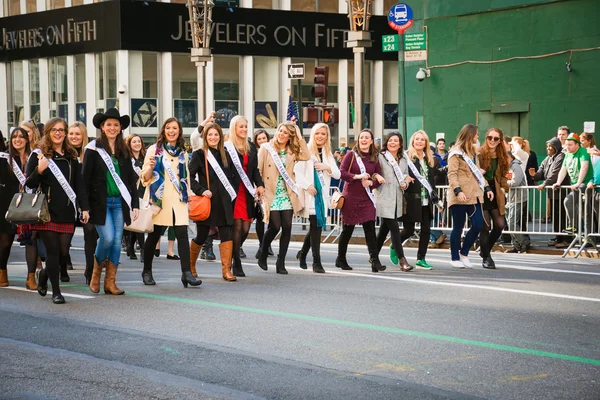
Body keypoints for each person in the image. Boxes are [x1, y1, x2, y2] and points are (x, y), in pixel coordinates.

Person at [25, 117, 90, 304]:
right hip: (47, 212)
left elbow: (79, 185)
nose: (59, 133)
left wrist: (84, 208)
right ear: (48, 132)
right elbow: (28, 184)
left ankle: (45, 274)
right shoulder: (39, 154)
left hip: (67, 211)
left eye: (62, 130)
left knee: (63, 252)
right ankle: (56, 291)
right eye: (54, 130)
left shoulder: (71, 155)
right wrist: (39, 170)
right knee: (52, 252)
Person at [83, 108, 140, 295]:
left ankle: (110, 282)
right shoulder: (93, 148)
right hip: (100, 202)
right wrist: (84, 206)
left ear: (120, 127)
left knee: (116, 241)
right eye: (109, 124)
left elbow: (131, 179)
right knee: (106, 237)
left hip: (118, 201)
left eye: (116, 125)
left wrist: (135, 204)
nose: (112, 128)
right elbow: (85, 180)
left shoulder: (124, 150)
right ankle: (95, 275)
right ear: (102, 126)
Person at [141, 117, 201, 288]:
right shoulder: (154, 150)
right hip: (160, 199)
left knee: (182, 234)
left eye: (175, 128)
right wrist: (151, 167)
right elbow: (144, 178)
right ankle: (146, 270)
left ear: (179, 131)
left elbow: (186, 177)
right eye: (168, 128)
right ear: (163, 131)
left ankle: (186, 273)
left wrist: (188, 195)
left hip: (178, 200)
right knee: (155, 235)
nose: (171, 131)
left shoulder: (183, 152)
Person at [256, 121, 310, 274]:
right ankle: (263, 251)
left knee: (287, 227)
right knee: (275, 226)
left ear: (289, 136)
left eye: (286, 132)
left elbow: (306, 155)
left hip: (287, 193)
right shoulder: (266, 148)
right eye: (280, 130)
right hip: (270, 192)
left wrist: (299, 135)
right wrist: (259, 190)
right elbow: (258, 170)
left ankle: (281, 262)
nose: (281, 134)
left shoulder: (292, 150)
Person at [189, 122, 240, 281]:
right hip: (208, 201)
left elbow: (234, 176)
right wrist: (201, 190)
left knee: (226, 234)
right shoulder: (199, 154)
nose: (213, 137)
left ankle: (226, 270)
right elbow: (188, 177)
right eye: (210, 135)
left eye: (216, 135)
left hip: (224, 202)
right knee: (201, 236)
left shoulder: (226, 153)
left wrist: (233, 193)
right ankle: (190, 266)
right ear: (205, 136)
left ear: (220, 137)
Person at [335, 129, 386, 272]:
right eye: (361, 137)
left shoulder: (374, 157)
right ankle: (341, 258)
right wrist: (357, 177)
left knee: (370, 229)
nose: (364, 140)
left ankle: (374, 260)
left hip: (366, 198)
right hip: (351, 196)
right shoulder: (351, 155)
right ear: (358, 140)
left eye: (367, 138)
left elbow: (378, 178)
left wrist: (371, 183)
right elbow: (342, 173)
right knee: (347, 230)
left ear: (371, 141)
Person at [294, 123, 341, 273]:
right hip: (311, 195)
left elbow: (337, 174)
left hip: (323, 197)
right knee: (316, 227)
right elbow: (297, 173)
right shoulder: (306, 151)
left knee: (316, 227)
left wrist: (326, 167)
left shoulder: (327, 154)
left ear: (327, 136)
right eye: (317, 133)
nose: (320, 136)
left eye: (323, 134)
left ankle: (302, 254)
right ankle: (316, 262)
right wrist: (307, 185)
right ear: (313, 135)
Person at [221, 116, 264, 277]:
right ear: (234, 128)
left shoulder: (251, 147)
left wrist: (260, 184)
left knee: (245, 228)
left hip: (246, 192)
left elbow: (254, 170)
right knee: (237, 226)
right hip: (232, 191)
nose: (244, 129)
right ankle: (236, 262)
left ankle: (235, 251)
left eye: (246, 126)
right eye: (241, 126)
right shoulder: (226, 147)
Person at [447, 124, 492, 268]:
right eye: (476, 134)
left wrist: (487, 187)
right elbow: (452, 174)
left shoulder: (473, 153)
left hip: (475, 195)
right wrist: (458, 191)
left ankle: (464, 252)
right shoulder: (455, 153)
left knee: (478, 224)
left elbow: (477, 173)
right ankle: (454, 257)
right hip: (459, 195)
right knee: (458, 227)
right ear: (470, 135)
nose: (478, 136)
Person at [399, 130, 441, 270]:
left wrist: (437, 200)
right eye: (417, 139)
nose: (419, 142)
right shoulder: (406, 157)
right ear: (412, 141)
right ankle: (396, 245)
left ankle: (421, 259)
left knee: (426, 230)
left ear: (426, 143)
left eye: (422, 140)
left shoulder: (430, 158)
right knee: (409, 230)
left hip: (426, 199)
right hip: (411, 198)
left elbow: (432, 180)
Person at [61, 121, 95, 282]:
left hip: (86, 201)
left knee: (90, 234)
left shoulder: (89, 153)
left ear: (83, 136)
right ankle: (63, 266)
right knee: (65, 238)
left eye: (78, 134)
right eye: (71, 134)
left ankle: (90, 271)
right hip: (67, 202)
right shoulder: (63, 153)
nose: (74, 137)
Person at [374, 132, 413, 271]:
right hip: (384, 195)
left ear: (400, 143)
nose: (393, 143)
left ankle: (374, 256)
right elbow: (373, 171)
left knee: (384, 229)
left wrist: (406, 183)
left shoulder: (403, 158)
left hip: (397, 196)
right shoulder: (381, 156)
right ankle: (402, 260)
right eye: (390, 140)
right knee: (394, 228)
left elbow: (406, 175)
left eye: (396, 141)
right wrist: (377, 176)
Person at [0, 129, 31, 288]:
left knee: (32, 241)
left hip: (30, 204)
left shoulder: (33, 157)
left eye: (21, 137)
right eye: (14, 137)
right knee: (6, 241)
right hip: (7, 203)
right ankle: (2, 270)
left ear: (27, 139)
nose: (17, 139)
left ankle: (31, 276)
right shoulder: (5, 158)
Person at [477, 128, 509, 269]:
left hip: (495, 191)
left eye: (496, 138)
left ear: (500, 140)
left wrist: (503, 188)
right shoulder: (479, 153)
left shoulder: (503, 155)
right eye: (490, 137)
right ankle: (486, 257)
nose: (492, 141)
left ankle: (485, 249)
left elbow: (503, 175)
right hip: (481, 190)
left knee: (500, 225)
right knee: (485, 226)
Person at [551, 133, 594, 236]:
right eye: (566, 144)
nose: (567, 147)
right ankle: (580, 231)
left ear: (577, 144)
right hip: (576, 185)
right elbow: (563, 169)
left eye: (570, 145)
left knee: (568, 201)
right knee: (581, 209)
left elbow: (585, 167)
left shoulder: (583, 152)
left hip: (585, 183)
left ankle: (574, 226)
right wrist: (558, 182)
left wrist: (579, 183)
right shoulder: (567, 154)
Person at [530, 138, 568, 247]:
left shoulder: (561, 157)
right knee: (555, 216)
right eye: (547, 146)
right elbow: (541, 172)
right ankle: (558, 237)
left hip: (561, 192)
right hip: (552, 193)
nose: (548, 148)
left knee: (561, 216)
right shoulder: (547, 159)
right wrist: (534, 175)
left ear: (556, 147)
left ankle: (563, 239)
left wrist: (544, 184)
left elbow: (555, 174)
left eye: (550, 146)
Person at [125, 133, 146, 262]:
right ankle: (143, 249)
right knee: (137, 221)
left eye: (139, 141)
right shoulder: (127, 159)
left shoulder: (145, 158)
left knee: (139, 221)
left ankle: (130, 246)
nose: (137, 144)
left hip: (144, 192)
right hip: (131, 193)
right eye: (134, 142)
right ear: (129, 144)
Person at [252, 129, 273, 259]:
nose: (262, 141)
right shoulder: (254, 152)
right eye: (259, 139)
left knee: (272, 217)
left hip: (271, 188)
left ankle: (267, 243)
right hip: (258, 188)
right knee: (260, 217)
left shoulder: (272, 151)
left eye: (264, 138)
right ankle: (262, 243)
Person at [505, 150, 530, 253]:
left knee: (512, 222)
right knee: (510, 222)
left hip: (518, 198)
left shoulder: (515, 166)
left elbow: (515, 182)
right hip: (509, 198)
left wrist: (503, 183)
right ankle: (516, 245)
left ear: (510, 157)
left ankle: (523, 241)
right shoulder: (507, 167)